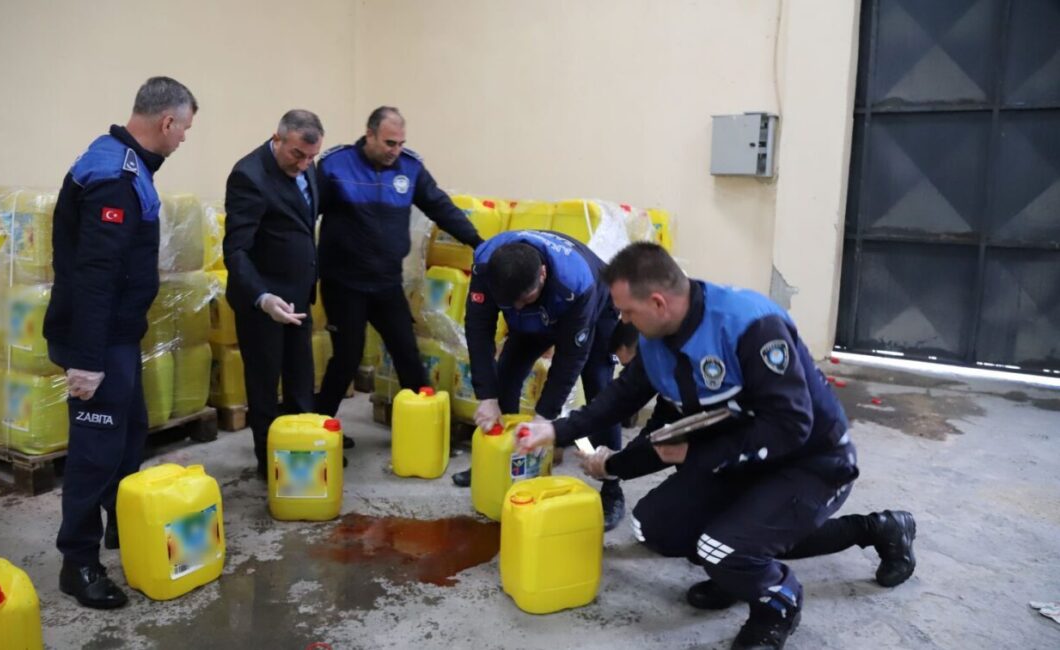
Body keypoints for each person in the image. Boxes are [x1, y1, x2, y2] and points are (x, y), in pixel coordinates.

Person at [518, 242, 917, 649]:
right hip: (740, 454)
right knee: (657, 527)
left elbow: (791, 425)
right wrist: (554, 431)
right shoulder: (658, 338)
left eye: (626, 311)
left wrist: (696, 456)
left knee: (722, 546)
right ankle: (735, 568)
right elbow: (619, 400)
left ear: (657, 302)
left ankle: (782, 598)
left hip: (812, 461)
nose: (622, 320)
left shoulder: (749, 326)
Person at [43, 76, 197, 609]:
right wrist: (86, 362)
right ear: (167, 122)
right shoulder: (115, 175)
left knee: (129, 438)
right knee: (95, 454)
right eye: (184, 131)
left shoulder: (126, 166)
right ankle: (77, 562)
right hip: (99, 342)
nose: (183, 142)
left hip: (117, 339)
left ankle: (122, 532)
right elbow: (95, 273)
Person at [314, 106, 482, 445]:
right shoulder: (335, 166)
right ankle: (318, 430)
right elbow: (304, 216)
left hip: (386, 282)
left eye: (401, 143)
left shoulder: (410, 167)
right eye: (389, 143)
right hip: (343, 283)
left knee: (407, 351)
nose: (395, 151)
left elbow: (440, 206)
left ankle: (431, 430)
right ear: (370, 135)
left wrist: (479, 243)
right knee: (347, 357)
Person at [453, 230, 626, 531]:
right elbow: (478, 329)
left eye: (524, 299)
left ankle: (612, 489)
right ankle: (495, 463)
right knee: (504, 375)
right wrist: (486, 397)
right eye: (511, 303)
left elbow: (570, 359)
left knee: (601, 394)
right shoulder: (486, 265)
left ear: (543, 274)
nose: (517, 307)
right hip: (537, 315)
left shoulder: (576, 283)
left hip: (593, 312)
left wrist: (543, 417)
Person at [224, 110, 324, 478]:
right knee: (264, 386)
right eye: (297, 154)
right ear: (277, 139)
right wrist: (263, 297)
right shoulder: (248, 176)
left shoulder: (306, 166)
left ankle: (302, 458)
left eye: (311, 157)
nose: (304, 163)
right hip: (263, 301)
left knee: (301, 381)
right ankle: (271, 467)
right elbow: (236, 250)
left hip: (297, 295)